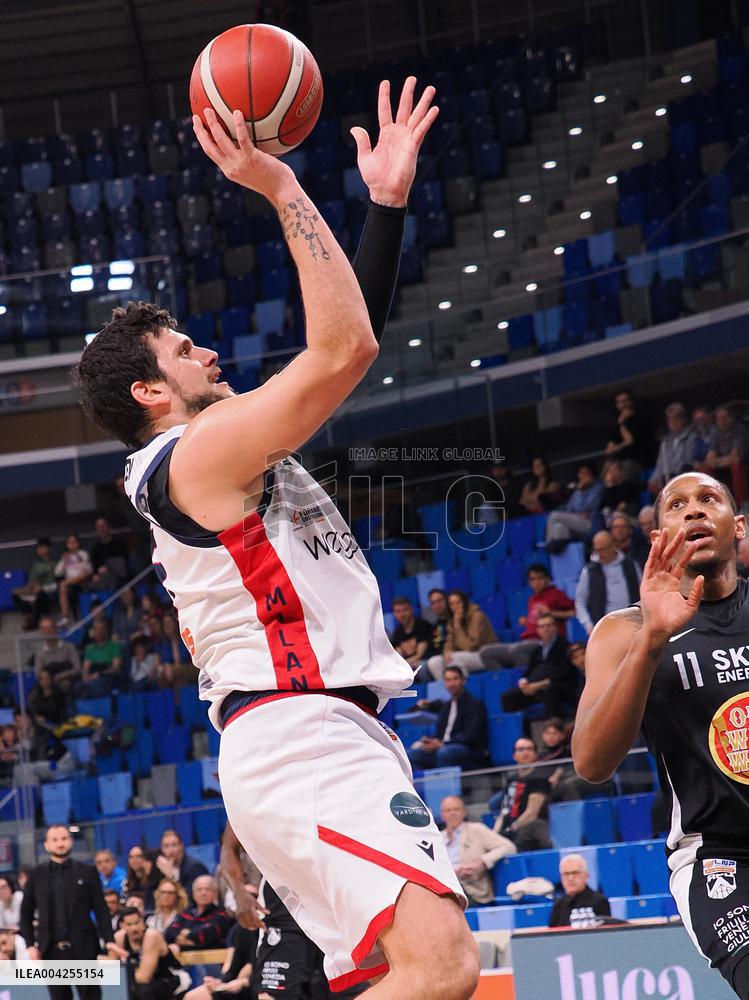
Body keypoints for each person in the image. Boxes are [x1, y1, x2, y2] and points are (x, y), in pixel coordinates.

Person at [75, 78, 479, 1000]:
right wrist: (278, 184)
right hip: (299, 735)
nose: (209, 352)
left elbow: (346, 340)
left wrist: (383, 206)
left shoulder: (221, 450)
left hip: (326, 735)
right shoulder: (186, 463)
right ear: (149, 394)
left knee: (398, 976)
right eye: (184, 352)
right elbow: (343, 353)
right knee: (444, 967)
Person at [572, 471, 749, 999]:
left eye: (708, 499)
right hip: (719, 857)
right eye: (677, 504)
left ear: (737, 526)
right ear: (658, 537)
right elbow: (591, 762)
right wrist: (653, 638)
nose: (694, 510)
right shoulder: (623, 632)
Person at [219, 820, 366, 1000]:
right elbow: (229, 847)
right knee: (272, 994)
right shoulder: (246, 795)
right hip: (283, 901)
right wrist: (239, 892)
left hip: (332, 892)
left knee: (359, 989)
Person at [20, 825, 118, 999]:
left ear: (71, 841)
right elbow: (26, 912)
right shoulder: (37, 875)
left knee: (90, 996)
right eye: (55, 840)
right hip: (51, 950)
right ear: (46, 845)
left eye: (64, 838)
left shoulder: (87, 872)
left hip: (83, 948)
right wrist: (30, 944)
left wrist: (109, 939)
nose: (60, 844)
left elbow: (101, 909)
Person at [479, 565, 574, 669]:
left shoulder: (556, 594)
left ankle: (525, 678)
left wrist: (552, 613)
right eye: (533, 579)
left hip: (543, 642)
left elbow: (575, 611)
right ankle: (504, 680)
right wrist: (527, 620)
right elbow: (536, 620)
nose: (537, 582)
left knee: (518, 651)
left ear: (547, 579)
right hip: (525, 641)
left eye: (540, 578)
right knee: (486, 652)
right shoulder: (532, 599)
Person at [407, 665, 488, 770]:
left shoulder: (475, 704)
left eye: (455, 679)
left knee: (444, 753)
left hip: (466, 749)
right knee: (411, 755)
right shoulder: (446, 706)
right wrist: (432, 741)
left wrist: (442, 744)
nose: (452, 684)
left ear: (463, 681)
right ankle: (423, 786)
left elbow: (470, 735)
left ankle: (446, 785)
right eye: (448, 680)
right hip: (444, 747)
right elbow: (441, 733)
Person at [439, 796, 515, 907]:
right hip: (446, 888)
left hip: (472, 891)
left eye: (456, 809)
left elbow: (509, 847)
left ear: (464, 812)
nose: (452, 813)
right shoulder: (438, 838)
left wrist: (482, 861)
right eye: (448, 810)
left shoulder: (476, 830)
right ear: (442, 815)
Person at [500, 614, 577, 718]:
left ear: (555, 627)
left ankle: (551, 728)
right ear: (538, 630)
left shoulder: (564, 645)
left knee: (552, 691)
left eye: (549, 625)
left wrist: (539, 685)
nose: (546, 629)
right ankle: (522, 732)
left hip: (558, 685)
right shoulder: (537, 650)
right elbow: (529, 671)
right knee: (507, 697)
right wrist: (524, 682)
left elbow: (565, 672)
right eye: (542, 626)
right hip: (536, 687)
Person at [574, 530, 642, 635]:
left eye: (602, 550)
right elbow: (580, 602)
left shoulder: (631, 565)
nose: (599, 554)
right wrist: (589, 625)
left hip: (633, 624)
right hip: (604, 628)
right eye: (597, 550)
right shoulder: (589, 571)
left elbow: (643, 591)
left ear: (613, 546)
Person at [491, 739, 552, 851]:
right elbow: (504, 811)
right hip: (510, 828)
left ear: (535, 754)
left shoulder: (539, 777)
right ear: (514, 755)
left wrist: (510, 829)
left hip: (530, 829)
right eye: (521, 750)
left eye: (529, 749)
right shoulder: (511, 779)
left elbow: (531, 813)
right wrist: (493, 835)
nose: (525, 753)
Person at [115, 906, 188, 999]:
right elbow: (108, 971)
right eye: (129, 924)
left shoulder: (151, 936)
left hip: (170, 978)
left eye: (137, 923)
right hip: (142, 981)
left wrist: (120, 975)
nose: (134, 928)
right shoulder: (119, 938)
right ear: (122, 925)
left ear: (142, 921)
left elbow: (143, 978)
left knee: (142, 991)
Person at [426, 590, 496, 679]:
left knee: (455, 658)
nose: (455, 606)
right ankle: (446, 690)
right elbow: (449, 642)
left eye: (458, 602)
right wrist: (447, 652)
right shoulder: (452, 621)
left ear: (465, 602)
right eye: (451, 604)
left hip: (484, 654)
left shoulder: (477, 616)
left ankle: (462, 688)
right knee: (434, 662)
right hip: (465, 655)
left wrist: (458, 627)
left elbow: (471, 647)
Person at [164, 875, 233, 952]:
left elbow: (204, 937)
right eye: (199, 890)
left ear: (215, 893)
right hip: (186, 958)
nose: (203, 893)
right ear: (193, 894)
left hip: (211, 960)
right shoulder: (185, 913)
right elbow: (169, 933)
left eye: (208, 889)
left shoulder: (221, 914)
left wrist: (186, 935)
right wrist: (190, 939)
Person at [545, 463, 604, 552]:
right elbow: (569, 509)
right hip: (577, 523)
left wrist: (581, 492)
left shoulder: (598, 487)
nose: (582, 476)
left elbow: (587, 506)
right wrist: (577, 512)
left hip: (590, 523)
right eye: (581, 473)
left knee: (554, 515)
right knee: (559, 527)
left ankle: (548, 544)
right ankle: (566, 558)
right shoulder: (578, 491)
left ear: (592, 475)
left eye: (586, 473)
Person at [548, 855, 611, 928]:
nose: (570, 878)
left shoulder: (599, 901)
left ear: (586, 876)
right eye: (566, 874)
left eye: (575, 873)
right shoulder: (558, 905)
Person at [648, 403, 697, 493]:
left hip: (685, 480)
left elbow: (689, 461)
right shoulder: (665, 442)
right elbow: (660, 464)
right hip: (667, 482)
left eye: (676, 418)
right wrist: (653, 479)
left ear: (684, 419)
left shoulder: (692, 437)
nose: (673, 421)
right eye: (669, 419)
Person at [12, 538, 58, 629]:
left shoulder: (54, 562)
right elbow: (32, 579)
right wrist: (30, 587)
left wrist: (38, 586)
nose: (40, 549)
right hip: (33, 588)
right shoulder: (36, 564)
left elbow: (54, 578)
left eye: (42, 547)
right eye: (38, 548)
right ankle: (28, 616)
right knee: (15, 592)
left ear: (48, 548)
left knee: (39, 592)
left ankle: (35, 622)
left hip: (49, 587)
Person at [605, 388, 653, 471]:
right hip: (619, 461)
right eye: (620, 402)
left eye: (625, 401)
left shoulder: (640, 419)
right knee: (608, 468)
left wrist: (622, 425)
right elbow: (609, 450)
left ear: (631, 401)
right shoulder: (616, 423)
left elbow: (630, 441)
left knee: (627, 466)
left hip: (637, 460)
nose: (623, 404)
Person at [156, 830, 209, 900]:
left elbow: (189, 898)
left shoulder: (194, 867)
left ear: (181, 846)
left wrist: (172, 877)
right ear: (162, 849)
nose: (170, 850)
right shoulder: (161, 867)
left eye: (174, 845)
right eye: (166, 846)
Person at [54, 533, 92, 626]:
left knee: (64, 584)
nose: (72, 544)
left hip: (83, 580)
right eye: (69, 542)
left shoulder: (83, 553)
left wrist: (81, 560)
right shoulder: (65, 556)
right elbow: (57, 572)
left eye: (74, 542)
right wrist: (63, 562)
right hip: (70, 583)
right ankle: (65, 617)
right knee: (63, 587)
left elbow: (88, 570)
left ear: (78, 543)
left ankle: (66, 583)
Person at [705, 405, 748, 484]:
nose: (722, 421)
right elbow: (709, 458)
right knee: (706, 468)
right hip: (722, 465)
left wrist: (717, 462)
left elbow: (736, 458)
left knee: (736, 466)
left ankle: (740, 496)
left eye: (725, 418)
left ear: (732, 418)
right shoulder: (716, 432)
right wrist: (719, 462)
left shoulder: (740, 431)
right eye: (719, 419)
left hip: (740, 466)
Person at [34, 616, 81, 688]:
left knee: (65, 685)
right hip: (48, 683)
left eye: (50, 627)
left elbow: (77, 668)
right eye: (44, 629)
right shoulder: (40, 653)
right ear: (41, 631)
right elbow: (38, 674)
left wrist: (61, 676)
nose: (48, 631)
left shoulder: (69, 647)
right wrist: (49, 680)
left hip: (68, 680)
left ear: (55, 629)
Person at [79, 618, 123, 695]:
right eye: (96, 629)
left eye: (101, 629)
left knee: (96, 684)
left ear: (106, 631)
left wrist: (100, 674)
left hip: (108, 677)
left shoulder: (114, 646)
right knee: (78, 686)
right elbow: (85, 668)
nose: (99, 632)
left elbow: (116, 668)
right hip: (92, 677)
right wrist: (86, 677)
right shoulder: (90, 649)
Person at [389, 596, 433, 670]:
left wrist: (403, 665)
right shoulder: (397, 632)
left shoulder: (422, 626)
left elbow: (419, 655)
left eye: (405, 610)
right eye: (398, 611)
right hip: (408, 664)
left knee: (421, 666)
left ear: (411, 610)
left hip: (424, 662)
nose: (402, 614)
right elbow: (398, 655)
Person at [88, 516, 130, 590]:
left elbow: (124, 563)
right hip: (101, 578)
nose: (101, 529)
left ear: (108, 527)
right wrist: (94, 575)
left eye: (103, 526)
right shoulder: (95, 548)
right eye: (98, 527)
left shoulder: (119, 543)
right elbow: (94, 566)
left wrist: (108, 567)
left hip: (119, 576)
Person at [123, 847, 161, 911]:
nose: (134, 860)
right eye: (131, 857)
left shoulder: (156, 881)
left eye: (138, 856)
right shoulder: (126, 882)